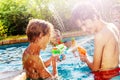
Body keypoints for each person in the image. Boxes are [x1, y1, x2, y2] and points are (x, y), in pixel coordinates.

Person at [72, 3, 120, 80]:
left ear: (94, 16)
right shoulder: (112, 26)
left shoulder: (100, 36)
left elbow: (95, 69)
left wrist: (86, 59)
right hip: (116, 73)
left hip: (106, 77)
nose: (83, 29)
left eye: (84, 24)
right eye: (81, 27)